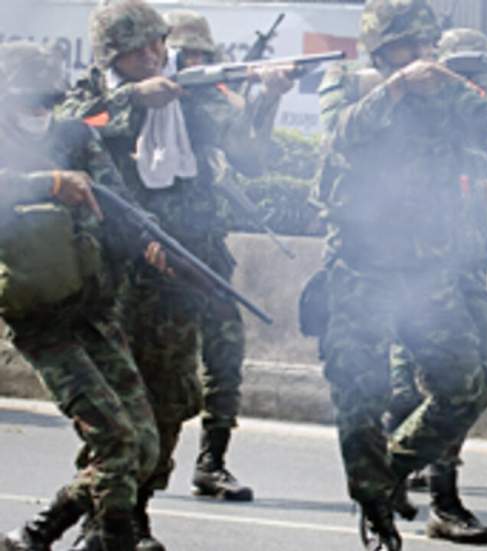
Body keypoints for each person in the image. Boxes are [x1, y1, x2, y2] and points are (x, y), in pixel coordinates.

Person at [313, 1, 487, 548]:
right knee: (359, 398)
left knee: (467, 385)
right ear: (382, 51)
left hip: (426, 273)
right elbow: (337, 136)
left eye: (428, 46)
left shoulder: (444, 92)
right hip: (360, 271)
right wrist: (397, 86)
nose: (425, 57)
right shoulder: (350, 85)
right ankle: (376, 512)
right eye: (409, 47)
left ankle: (391, 470)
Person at [57, 1, 292, 547]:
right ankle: (100, 516)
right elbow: (70, 131)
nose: (151, 58)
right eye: (135, 52)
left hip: (178, 274)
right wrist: (133, 99)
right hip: (114, 278)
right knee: (116, 408)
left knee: (170, 397)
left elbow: (252, 155)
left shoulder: (194, 99)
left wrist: (269, 99)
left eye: (156, 46)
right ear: (111, 56)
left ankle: (135, 511)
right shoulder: (93, 98)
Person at [0, 41, 165, 551]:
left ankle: (38, 531)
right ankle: (114, 539)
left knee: (143, 445)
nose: (38, 112)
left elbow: (117, 200)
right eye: (28, 99)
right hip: (41, 315)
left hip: (95, 309)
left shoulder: (74, 136)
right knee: (114, 441)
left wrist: (151, 241)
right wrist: (47, 182)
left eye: (48, 100)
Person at [163, 8, 291, 503]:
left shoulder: (212, 102)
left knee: (225, 354)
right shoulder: (146, 102)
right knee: (158, 370)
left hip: (204, 252)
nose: (195, 61)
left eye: (202, 55)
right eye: (185, 54)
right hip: (149, 257)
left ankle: (211, 462)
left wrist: (267, 98)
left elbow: (252, 159)